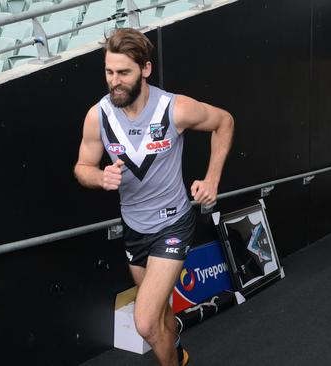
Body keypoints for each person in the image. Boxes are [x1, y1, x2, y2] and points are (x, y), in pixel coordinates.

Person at [74, 28, 234, 366]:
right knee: (159, 317)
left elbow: (224, 122)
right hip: (134, 227)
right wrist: (99, 176)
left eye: (123, 72)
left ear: (145, 69)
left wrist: (212, 179)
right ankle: (176, 348)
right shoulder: (98, 115)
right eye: (108, 72)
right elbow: (82, 167)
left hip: (173, 223)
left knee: (145, 322)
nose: (114, 81)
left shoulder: (173, 108)